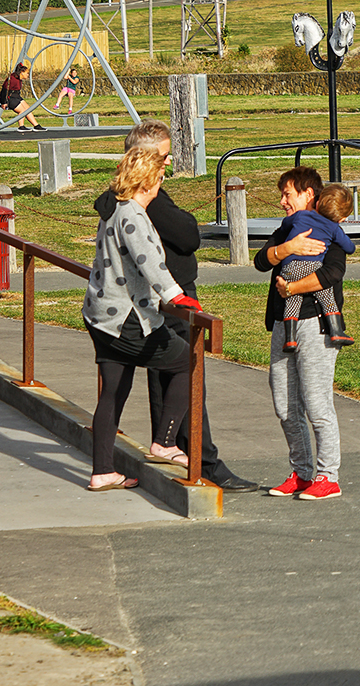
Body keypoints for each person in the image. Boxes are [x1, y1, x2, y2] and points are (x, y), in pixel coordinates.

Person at [124, 119, 258, 493]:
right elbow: (187, 235)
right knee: (188, 374)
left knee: (166, 376)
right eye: (163, 157)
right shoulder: (146, 197)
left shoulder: (133, 194)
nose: (168, 163)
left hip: (157, 298)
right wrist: (186, 223)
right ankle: (203, 458)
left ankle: (171, 445)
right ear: (145, 157)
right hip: (170, 298)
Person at [83, 144, 200, 491]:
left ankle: (103, 470)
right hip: (125, 319)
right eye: (159, 179)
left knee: (113, 392)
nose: (160, 186)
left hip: (101, 316)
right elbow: (149, 260)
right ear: (146, 181)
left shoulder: (114, 210)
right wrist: (175, 295)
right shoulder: (132, 215)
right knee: (185, 361)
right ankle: (165, 441)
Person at [254, 165, 347, 501]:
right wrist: (286, 248)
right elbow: (261, 261)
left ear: (309, 193)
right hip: (283, 324)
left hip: (315, 325)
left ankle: (328, 476)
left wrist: (292, 286)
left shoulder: (329, 227)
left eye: (287, 194)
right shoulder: (289, 228)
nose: (283, 201)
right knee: (285, 405)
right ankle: (302, 472)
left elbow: (333, 272)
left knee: (317, 403)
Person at [276, 183, 355, 351]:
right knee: (327, 296)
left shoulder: (302, 216)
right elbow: (350, 248)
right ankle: (336, 331)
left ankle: (290, 339)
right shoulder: (334, 228)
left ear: (318, 203)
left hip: (289, 268)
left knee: (292, 301)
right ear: (342, 218)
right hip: (311, 267)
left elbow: (285, 224)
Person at [0, 63, 46, 133]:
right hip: (10, 98)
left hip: (16, 96)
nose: (28, 75)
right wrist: (3, 102)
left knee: (28, 109)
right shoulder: (12, 79)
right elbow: (4, 91)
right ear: (22, 72)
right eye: (27, 73)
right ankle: (21, 126)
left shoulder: (19, 79)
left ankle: (36, 126)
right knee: (23, 110)